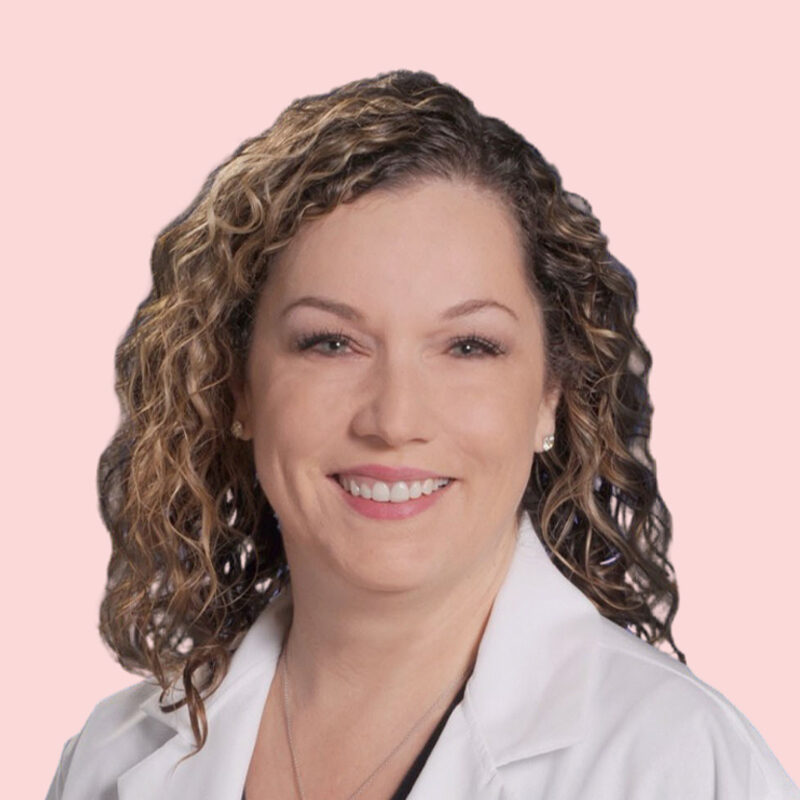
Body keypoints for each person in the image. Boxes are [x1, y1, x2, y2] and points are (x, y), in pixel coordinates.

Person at [46, 69, 799, 800]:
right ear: (236, 386)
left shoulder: (682, 768)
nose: (395, 419)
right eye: (330, 343)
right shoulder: (112, 760)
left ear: (551, 397)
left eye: (469, 346)